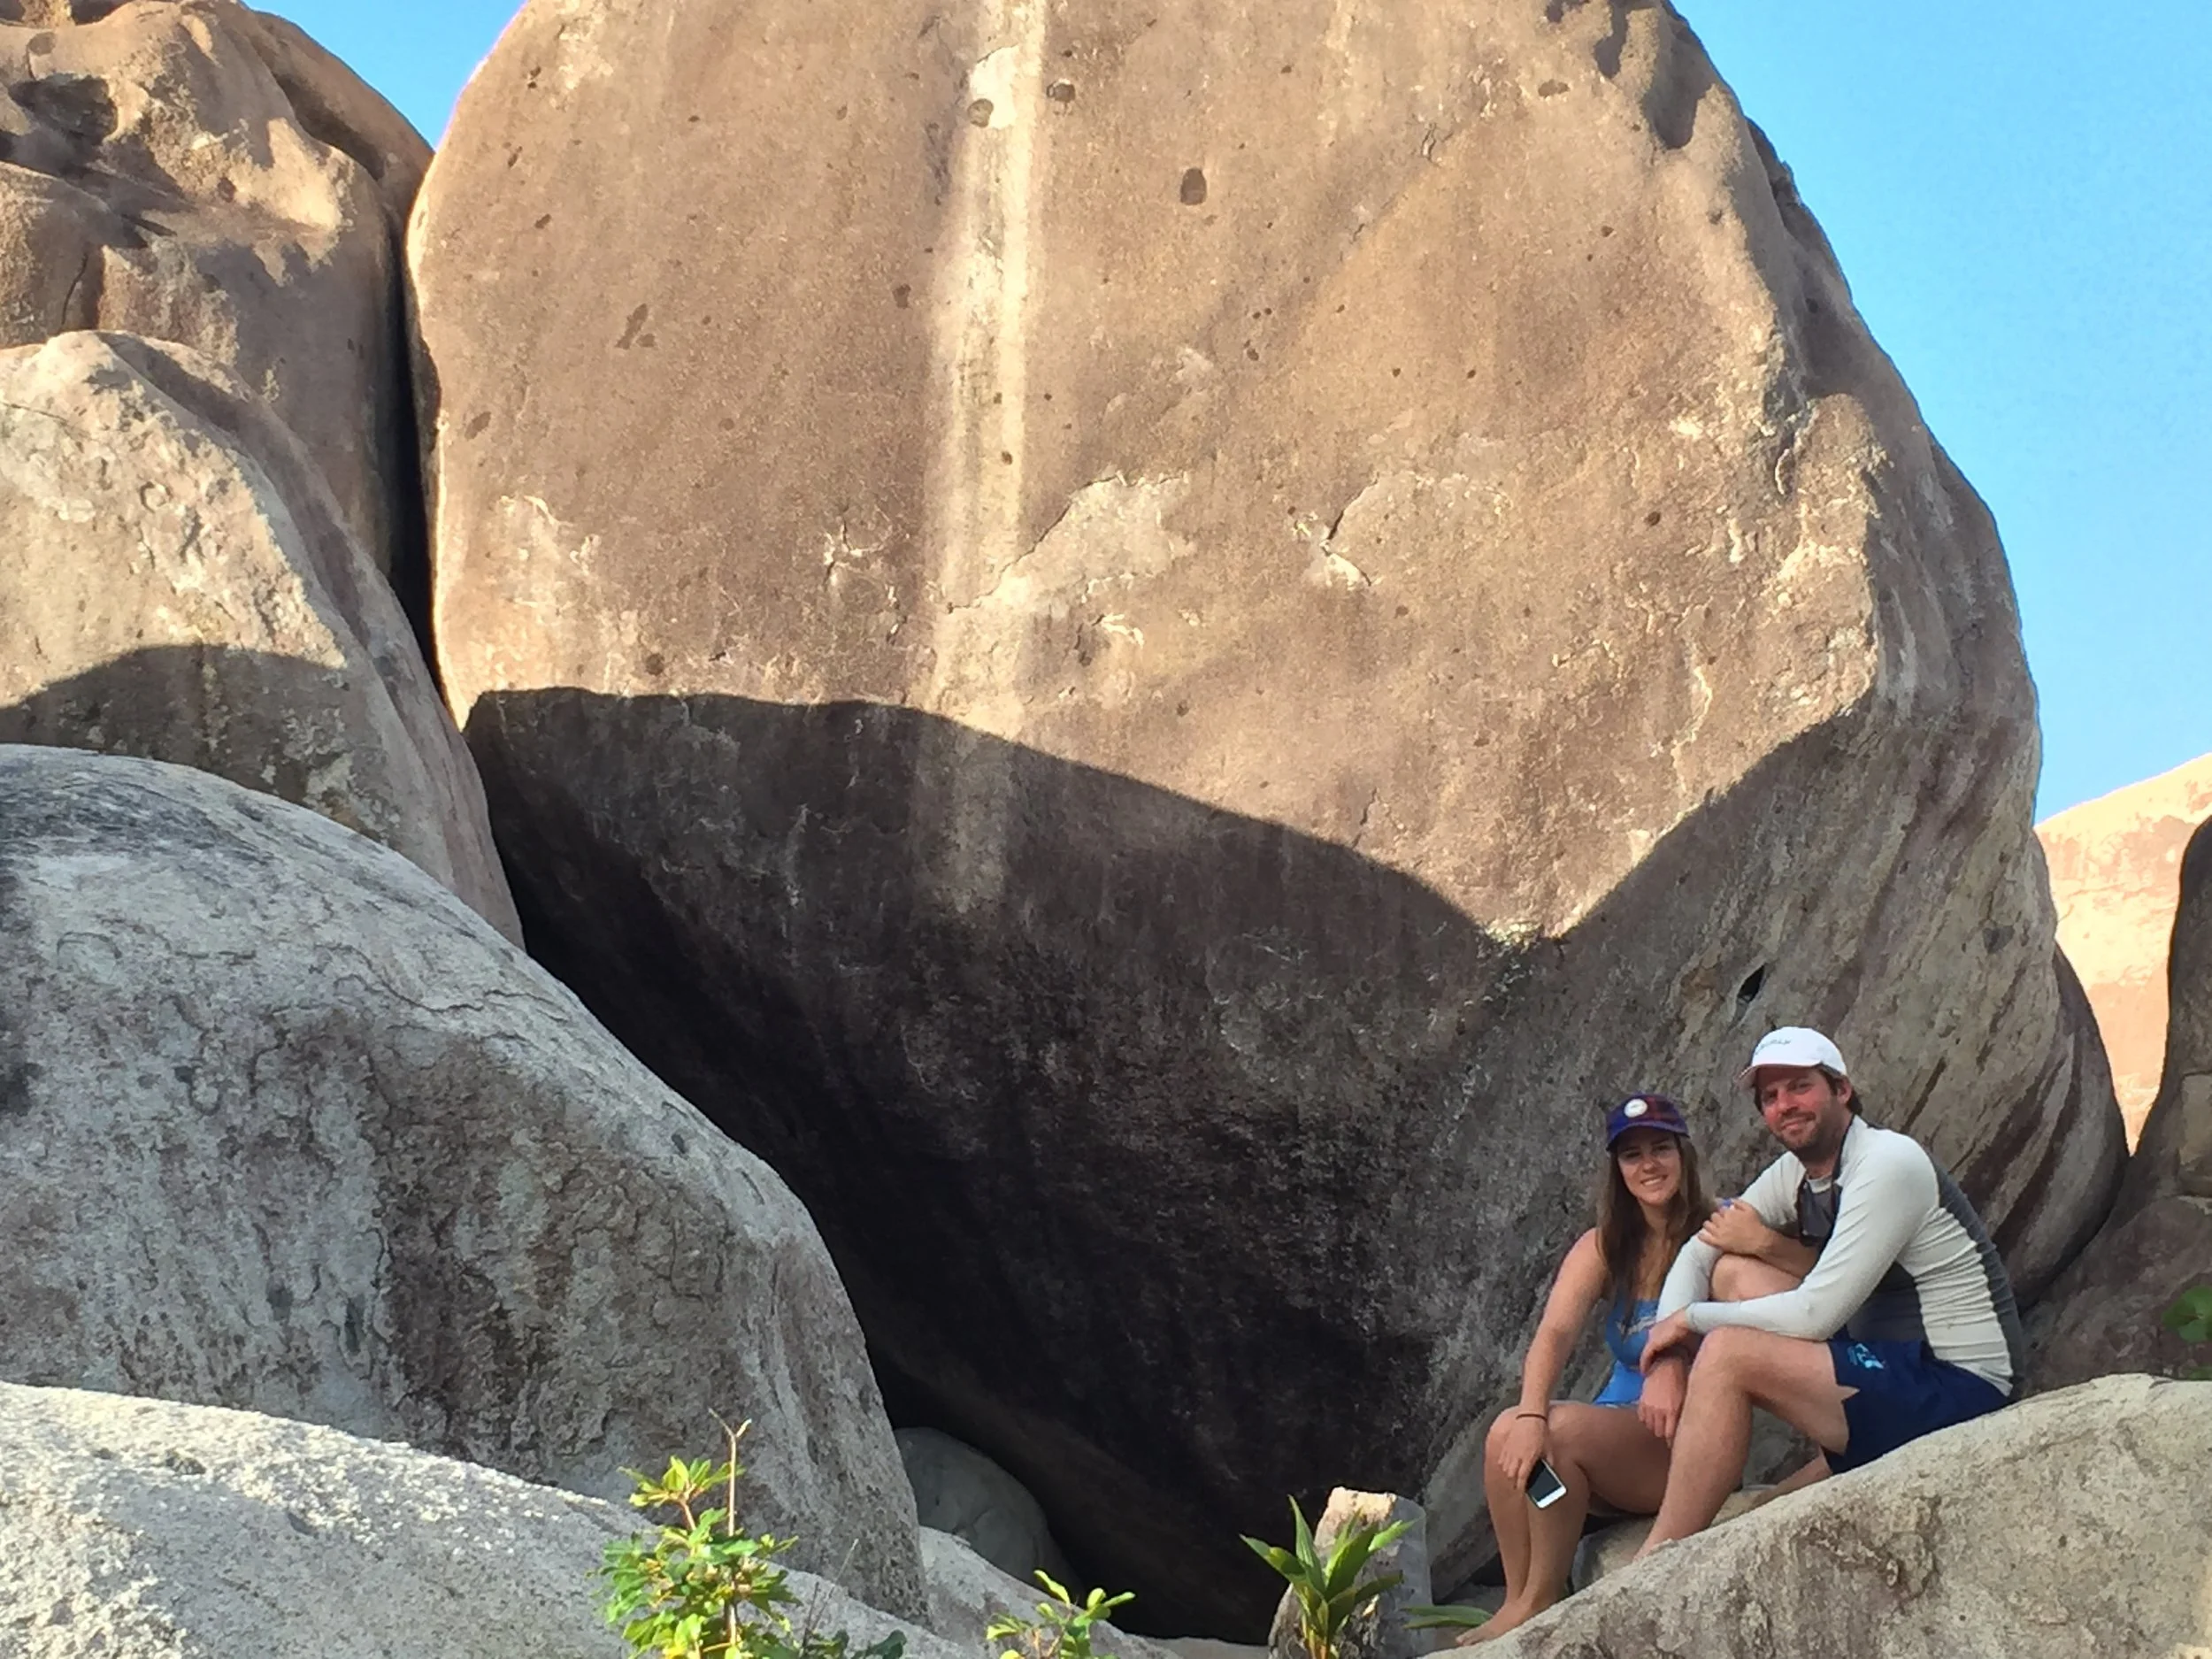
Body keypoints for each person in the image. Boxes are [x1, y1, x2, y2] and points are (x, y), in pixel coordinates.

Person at [1632, 1027, 2024, 1557]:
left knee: (1728, 1351)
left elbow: (1816, 1315)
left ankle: (1658, 1557)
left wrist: (1690, 1322)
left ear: (1841, 1089)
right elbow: (1700, 1252)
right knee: (1731, 1270)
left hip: (1961, 1385)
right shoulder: (1798, 1172)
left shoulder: (1888, 1162)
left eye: (1799, 1087)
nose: (1784, 1106)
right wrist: (1669, 1357)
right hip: (1893, 1366)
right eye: (1770, 1097)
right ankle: (1812, 1468)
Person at [1459, 1094, 1714, 1643]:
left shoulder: (1716, 1230)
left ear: (1683, 1154)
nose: (1648, 1165)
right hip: (1608, 1444)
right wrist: (1530, 1413)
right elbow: (1553, 1334)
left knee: (1563, 1432)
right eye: (1632, 1155)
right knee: (1508, 1429)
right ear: (1617, 1170)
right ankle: (1517, 1596)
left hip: (1683, 1443)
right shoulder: (1607, 1245)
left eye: (1661, 1149)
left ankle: (1542, 1600)